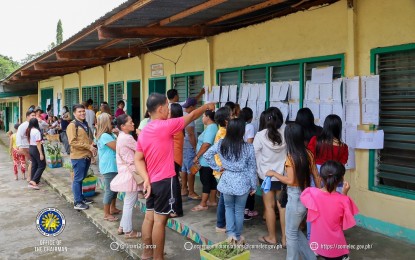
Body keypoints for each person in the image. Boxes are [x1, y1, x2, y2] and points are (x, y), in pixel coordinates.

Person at [134, 93, 215, 260]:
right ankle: (158, 257)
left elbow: (138, 159)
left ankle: (147, 252)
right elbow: (192, 115)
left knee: (149, 217)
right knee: (160, 222)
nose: (169, 110)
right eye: (168, 107)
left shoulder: (144, 130)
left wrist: (146, 178)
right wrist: (207, 106)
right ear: (161, 108)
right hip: (165, 181)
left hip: (152, 182)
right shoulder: (166, 125)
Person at [266, 123, 320, 260]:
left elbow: (290, 181)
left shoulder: (291, 157)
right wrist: (318, 195)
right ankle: (311, 257)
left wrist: (274, 173)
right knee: (295, 230)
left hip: (295, 197)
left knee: (290, 233)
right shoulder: (308, 153)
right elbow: (316, 177)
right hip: (306, 196)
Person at [204, 118, 257, 243]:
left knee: (228, 208)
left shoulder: (221, 143)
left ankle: (231, 234)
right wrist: (253, 186)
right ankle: (237, 236)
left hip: (227, 179)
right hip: (242, 182)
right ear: (241, 131)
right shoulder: (248, 147)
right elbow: (252, 168)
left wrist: (217, 167)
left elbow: (207, 155)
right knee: (239, 210)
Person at [301, 161, 358, 260]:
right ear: (341, 179)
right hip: (335, 246)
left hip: (317, 243)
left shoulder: (311, 193)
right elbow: (345, 219)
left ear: (320, 177)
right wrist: (344, 194)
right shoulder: (344, 200)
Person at [255, 107, 287, 247]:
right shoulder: (286, 132)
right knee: (283, 207)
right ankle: (285, 240)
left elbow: (255, 156)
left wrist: (259, 173)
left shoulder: (260, 135)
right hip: (283, 176)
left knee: (269, 207)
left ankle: (272, 237)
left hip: (266, 177)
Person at [114, 114, 144, 238]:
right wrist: (141, 135)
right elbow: (141, 148)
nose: (133, 123)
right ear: (122, 126)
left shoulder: (121, 136)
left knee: (128, 200)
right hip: (131, 172)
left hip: (126, 171)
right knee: (129, 202)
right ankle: (128, 231)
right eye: (130, 122)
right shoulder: (127, 138)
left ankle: (122, 226)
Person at [67, 104, 97, 210]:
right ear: (74, 113)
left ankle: (81, 197)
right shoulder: (72, 125)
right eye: (79, 112)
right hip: (78, 156)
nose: (82, 113)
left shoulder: (84, 124)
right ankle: (77, 202)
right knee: (78, 179)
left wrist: (92, 148)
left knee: (82, 178)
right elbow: (72, 142)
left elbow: (88, 139)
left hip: (86, 155)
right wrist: (88, 147)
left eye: (83, 111)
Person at [307, 114, 348, 189]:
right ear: (339, 128)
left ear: (325, 126)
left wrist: (316, 177)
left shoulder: (315, 140)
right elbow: (341, 168)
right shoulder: (343, 147)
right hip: (334, 177)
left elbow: (310, 160)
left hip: (316, 175)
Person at [95, 112, 121, 221]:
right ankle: (106, 213)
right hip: (109, 166)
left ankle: (113, 208)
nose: (112, 121)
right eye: (110, 119)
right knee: (110, 190)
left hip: (114, 165)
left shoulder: (110, 134)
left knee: (115, 188)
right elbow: (118, 147)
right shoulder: (104, 136)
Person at [191, 110, 218, 212]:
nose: (202, 118)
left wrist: (197, 156)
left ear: (207, 117)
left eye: (203, 116)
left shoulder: (211, 128)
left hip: (206, 160)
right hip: (207, 160)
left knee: (206, 181)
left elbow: (206, 144)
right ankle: (212, 200)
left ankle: (203, 204)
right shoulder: (212, 127)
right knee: (211, 181)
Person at [212, 106, 231, 233]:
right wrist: (223, 168)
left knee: (224, 198)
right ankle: (220, 224)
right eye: (231, 116)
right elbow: (219, 154)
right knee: (224, 198)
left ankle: (222, 223)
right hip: (223, 171)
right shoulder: (223, 134)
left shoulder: (223, 132)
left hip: (222, 170)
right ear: (226, 120)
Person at [239, 107, 257, 220]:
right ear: (250, 117)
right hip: (246, 159)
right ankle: (247, 211)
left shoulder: (237, 125)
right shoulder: (249, 126)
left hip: (237, 157)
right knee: (250, 184)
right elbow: (250, 144)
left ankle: (241, 210)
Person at [180, 98, 200, 200]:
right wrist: (196, 148)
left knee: (184, 168)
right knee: (191, 170)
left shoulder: (182, 115)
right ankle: (191, 192)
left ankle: (184, 189)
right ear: (192, 107)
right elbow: (191, 134)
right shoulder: (189, 118)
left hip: (182, 146)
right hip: (189, 147)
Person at [169, 103, 184, 218]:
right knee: (173, 184)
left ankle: (176, 209)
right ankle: (174, 208)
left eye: (169, 111)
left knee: (174, 184)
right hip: (174, 157)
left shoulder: (174, 126)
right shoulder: (176, 124)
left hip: (174, 158)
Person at [16, 110, 36, 182]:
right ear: (27, 116)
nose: (34, 117)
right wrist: (20, 146)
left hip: (31, 146)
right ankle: (30, 177)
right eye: (32, 116)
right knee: (32, 161)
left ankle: (30, 177)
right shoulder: (23, 125)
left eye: (35, 115)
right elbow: (18, 136)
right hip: (25, 146)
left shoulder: (33, 125)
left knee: (31, 161)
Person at [26, 118, 46, 190]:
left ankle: (33, 180)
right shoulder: (37, 131)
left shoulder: (30, 130)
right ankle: (34, 181)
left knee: (34, 165)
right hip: (36, 149)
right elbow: (38, 143)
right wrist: (41, 153)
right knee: (42, 165)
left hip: (31, 148)